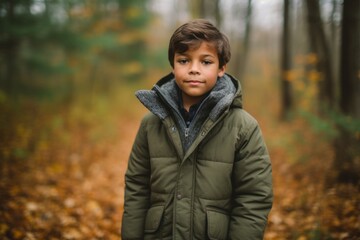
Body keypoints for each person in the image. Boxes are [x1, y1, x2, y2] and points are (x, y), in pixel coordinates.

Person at [121, 19, 273, 240]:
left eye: (206, 62)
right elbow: (137, 186)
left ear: (222, 68)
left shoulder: (243, 127)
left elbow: (254, 196)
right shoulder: (151, 123)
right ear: (173, 67)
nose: (193, 69)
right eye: (184, 60)